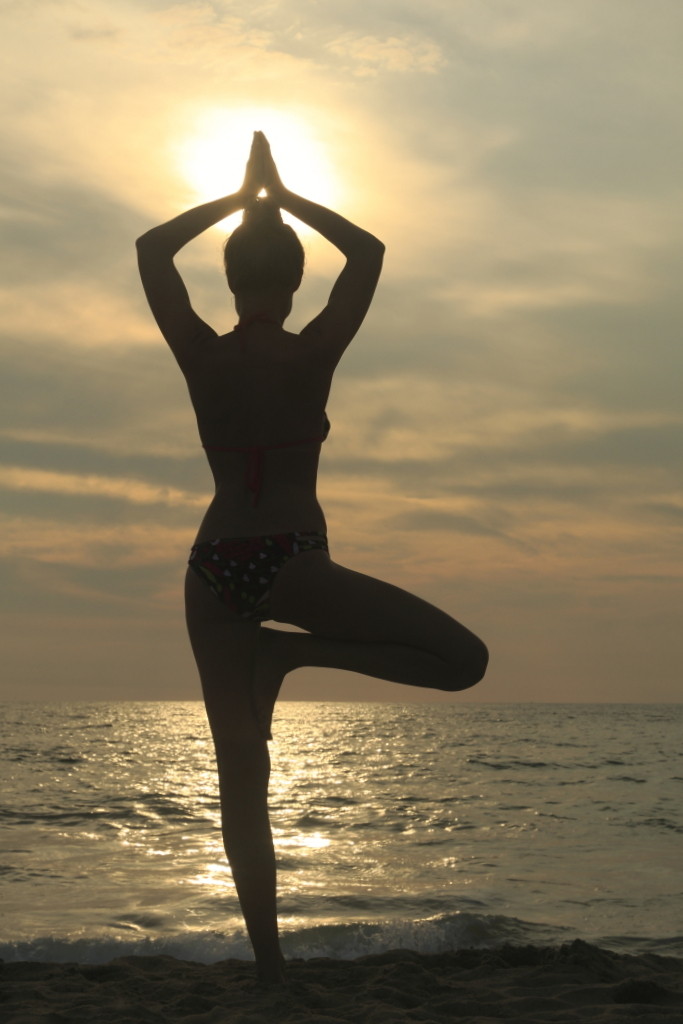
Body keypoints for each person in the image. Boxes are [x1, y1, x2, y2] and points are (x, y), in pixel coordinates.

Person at [136, 131, 488, 985]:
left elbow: (150, 249)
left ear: (228, 279)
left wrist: (237, 198)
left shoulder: (202, 355)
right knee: (463, 661)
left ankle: (269, 966)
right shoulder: (312, 350)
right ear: (295, 282)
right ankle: (292, 652)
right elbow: (366, 251)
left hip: (213, 564)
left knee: (240, 781)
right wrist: (281, 195)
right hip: (291, 557)